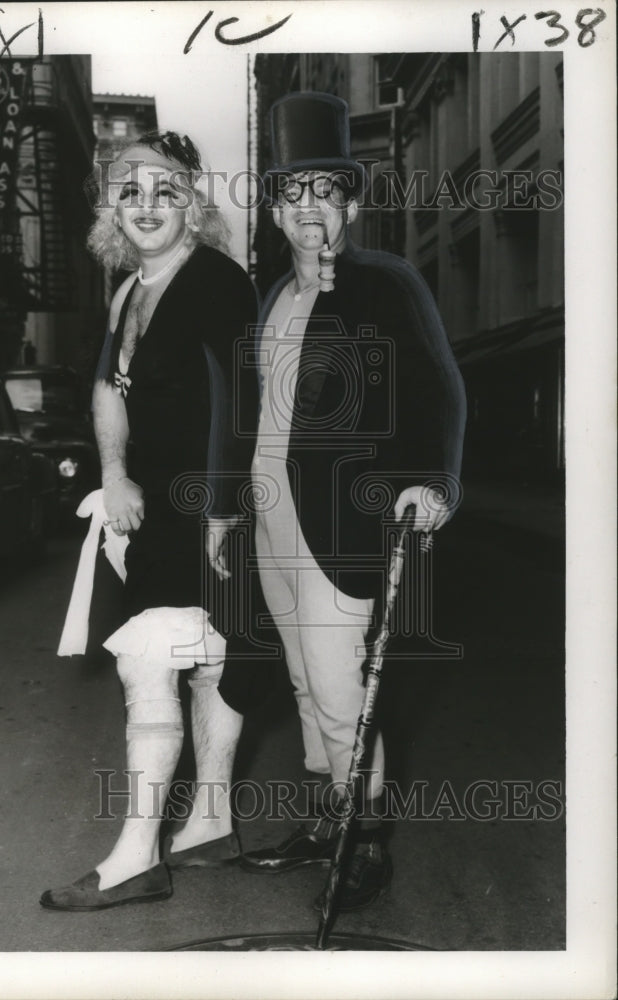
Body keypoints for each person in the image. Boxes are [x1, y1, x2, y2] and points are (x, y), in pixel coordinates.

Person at [239, 93, 466, 912]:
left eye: (326, 192)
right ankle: (323, 824)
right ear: (273, 209)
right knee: (302, 681)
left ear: (351, 205)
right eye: (293, 193)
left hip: (341, 519)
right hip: (274, 519)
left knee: (342, 691)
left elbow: (438, 389)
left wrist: (432, 481)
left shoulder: (383, 282)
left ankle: (364, 845)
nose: (309, 208)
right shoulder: (275, 297)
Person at [41, 131, 259, 911]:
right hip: (154, 495)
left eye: (164, 190)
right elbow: (109, 389)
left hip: (208, 497)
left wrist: (225, 509)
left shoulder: (217, 280)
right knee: (203, 657)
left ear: (192, 205)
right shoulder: (129, 291)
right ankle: (208, 823)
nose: (146, 205)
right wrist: (113, 472)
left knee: (152, 661)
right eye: (129, 190)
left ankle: (138, 856)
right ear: (111, 207)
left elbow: (242, 399)